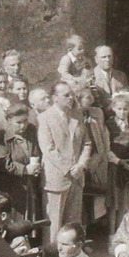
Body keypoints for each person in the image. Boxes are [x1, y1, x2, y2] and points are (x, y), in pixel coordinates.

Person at [39, 79, 91, 238]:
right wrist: (69, 168)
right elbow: (48, 149)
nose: (71, 98)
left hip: (77, 177)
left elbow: (87, 143)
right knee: (54, 224)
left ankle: (72, 256)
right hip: (57, 179)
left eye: (72, 95)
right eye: (66, 95)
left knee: (73, 223)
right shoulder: (45, 118)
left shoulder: (77, 115)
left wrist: (81, 165)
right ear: (55, 98)